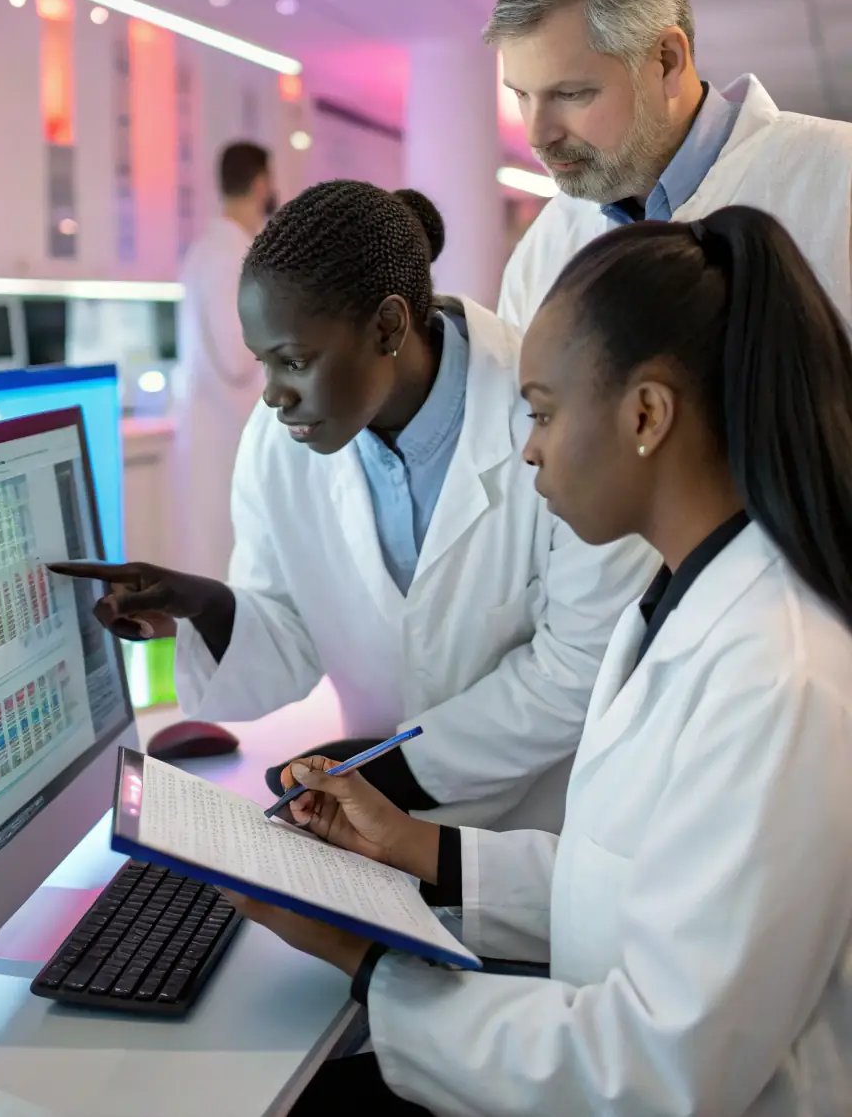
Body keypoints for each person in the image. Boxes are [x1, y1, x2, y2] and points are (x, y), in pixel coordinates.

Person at [223, 204, 852, 1117]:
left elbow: (658, 1067)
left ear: (645, 414)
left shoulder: (776, 676)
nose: (528, 447)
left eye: (545, 412)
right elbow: (626, 883)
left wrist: (365, 964)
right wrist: (409, 846)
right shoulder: (689, 606)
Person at [52, 180, 655, 832]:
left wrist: (392, 764)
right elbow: (290, 631)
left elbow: (577, 666)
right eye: (264, 363)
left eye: (296, 360)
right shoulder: (276, 442)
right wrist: (209, 607)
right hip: (369, 828)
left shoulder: (544, 413)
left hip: (541, 834)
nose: (275, 395)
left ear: (388, 326)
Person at [488, 0, 852, 331]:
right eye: (520, 94)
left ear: (667, 61)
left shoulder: (839, 181)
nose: (538, 134)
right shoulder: (545, 249)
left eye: (570, 93)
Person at [174, 141, 275, 580]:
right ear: (261, 185)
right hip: (225, 436)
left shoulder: (206, 251)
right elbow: (237, 357)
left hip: (214, 433)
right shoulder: (230, 256)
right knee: (225, 568)